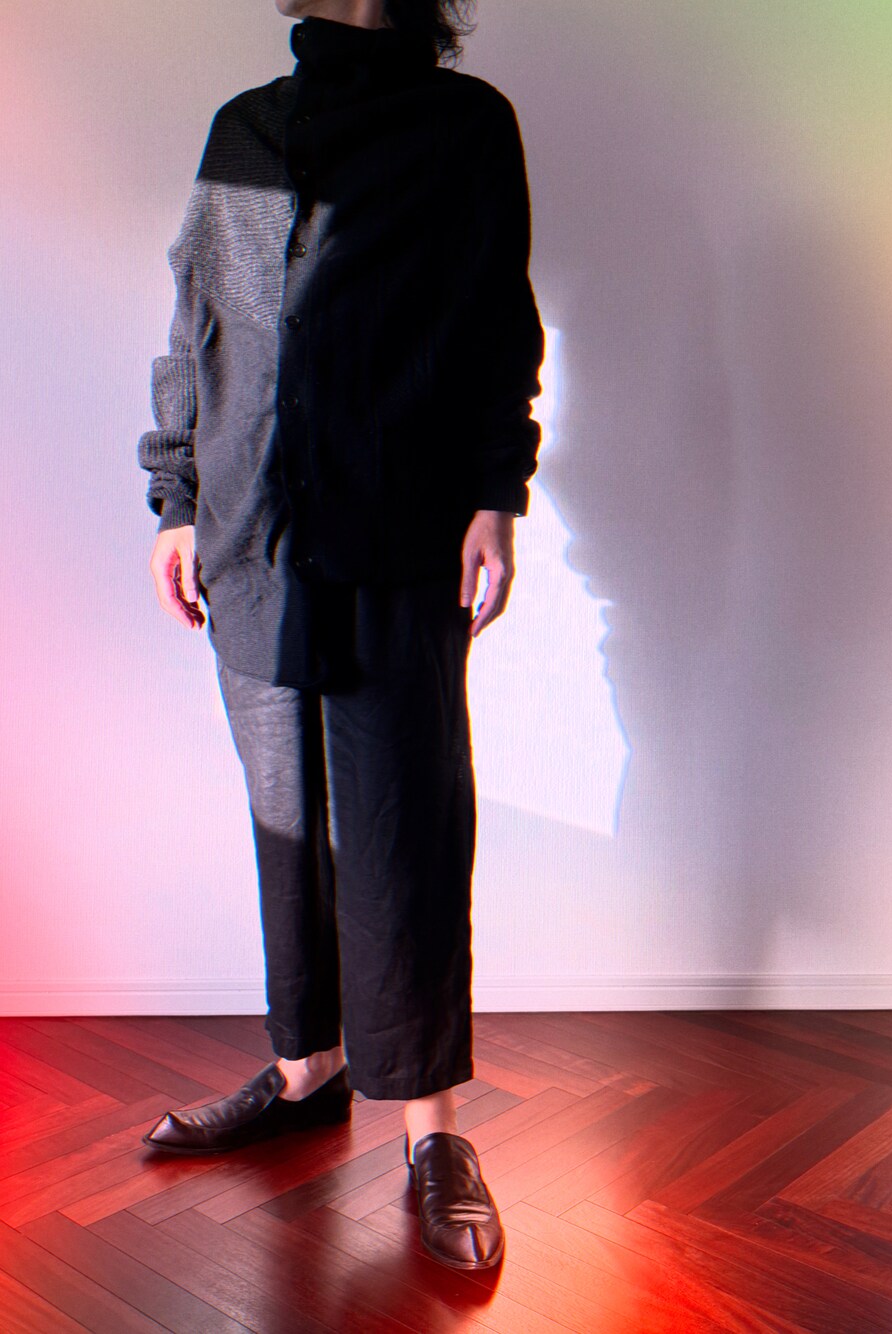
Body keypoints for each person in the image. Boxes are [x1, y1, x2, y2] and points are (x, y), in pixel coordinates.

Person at [136, 0, 544, 1273]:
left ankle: (432, 1130)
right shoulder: (244, 130)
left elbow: (495, 320)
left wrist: (495, 492)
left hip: (399, 530)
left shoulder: (464, 127)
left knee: (402, 822)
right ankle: (305, 1070)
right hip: (249, 532)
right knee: (285, 814)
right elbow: (195, 322)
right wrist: (176, 497)